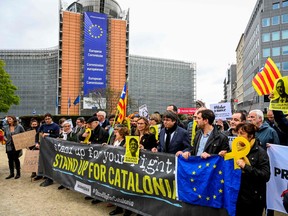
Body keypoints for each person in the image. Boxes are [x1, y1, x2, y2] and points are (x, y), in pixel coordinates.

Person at [232, 122, 270, 216]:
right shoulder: (235, 149)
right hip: (237, 196)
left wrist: (246, 167)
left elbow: (265, 176)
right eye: (238, 133)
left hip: (253, 199)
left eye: (242, 133)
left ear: (251, 136)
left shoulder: (260, 152)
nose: (239, 136)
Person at [36, 113, 60, 187]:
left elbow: (57, 136)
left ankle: (50, 179)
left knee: (51, 162)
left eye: (48, 118)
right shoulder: (43, 126)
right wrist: (37, 142)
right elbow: (38, 134)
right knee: (45, 162)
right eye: (46, 119)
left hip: (52, 147)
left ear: (51, 119)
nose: (47, 120)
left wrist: (48, 135)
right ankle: (46, 177)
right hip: (44, 146)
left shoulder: (55, 126)